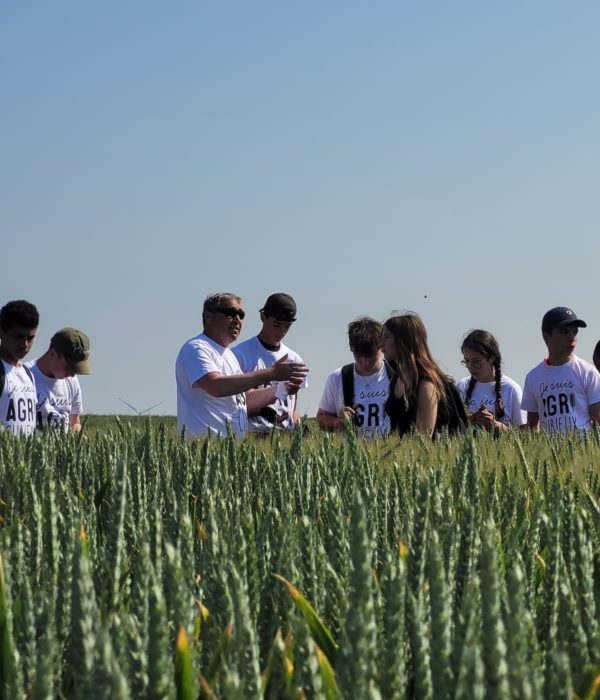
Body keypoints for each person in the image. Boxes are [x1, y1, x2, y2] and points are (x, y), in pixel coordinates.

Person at [176, 292, 308, 438]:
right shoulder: (197, 348)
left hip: (230, 449)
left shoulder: (228, 355)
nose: (237, 319)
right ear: (208, 317)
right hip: (205, 447)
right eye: (231, 313)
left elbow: (247, 398)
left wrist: (283, 388)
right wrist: (270, 374)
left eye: (241, 315)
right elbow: (216, 386)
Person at [381, 312, 467, 438]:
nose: (380, 344)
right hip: (399, 455)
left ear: (403, 340)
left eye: (386, 337)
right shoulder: (396, 380)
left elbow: (424, 438)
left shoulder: (425, 383)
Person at [233, 293, 307, 434]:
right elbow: (235, 406)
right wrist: (266, 413)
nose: (282, 331)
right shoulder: (239, 355)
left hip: (286, 437)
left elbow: (292, 408)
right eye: (277, 324)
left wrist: (298, 425)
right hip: (252, 436)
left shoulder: (294, 359)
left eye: (287, 326)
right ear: (263, 317)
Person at [521, 306, 600, 433]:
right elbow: (532, 426)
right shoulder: (532, 377)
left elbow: (598, 421)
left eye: (574, 332)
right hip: (550, 449)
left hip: (583, 448)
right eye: (564, 332)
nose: (571, 337)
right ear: (546, 337)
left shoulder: (589, 372)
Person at [317, 317, 391, 437]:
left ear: (381, 348)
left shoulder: (396, 375)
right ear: (351, 349)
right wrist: (337, 422)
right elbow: (321, 418)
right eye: (359, 356)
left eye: (371, 356)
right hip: (351, 454)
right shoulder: (337, 378)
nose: (365, 362)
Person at [457, 329, 526, 431]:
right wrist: (465, 422)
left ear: (492, 358)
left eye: (476, 361)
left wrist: (495, 425)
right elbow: (451, 431)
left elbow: (524, 434)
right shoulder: (462, 386)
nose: (470, 366)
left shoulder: (511, 389)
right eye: (467, 361)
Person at [26, 328, 91, 432]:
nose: (72, 374)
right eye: (69, 367)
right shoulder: (24, 377)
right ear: (52, 354)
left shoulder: (72, 381)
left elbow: (74, 422)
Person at [0, 300, 39, 436]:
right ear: (1, 332)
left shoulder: (28, 374)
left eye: (30, 338)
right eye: (18, 337)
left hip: (23, 456)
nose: (25, 344)